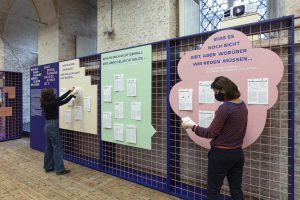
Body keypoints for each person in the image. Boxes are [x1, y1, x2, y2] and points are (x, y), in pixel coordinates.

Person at [182, 76, 248, 200]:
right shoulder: (242, 105)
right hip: (237, 153)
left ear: (222, 90)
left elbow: (210, 133)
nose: (215, 95)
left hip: (221, 155)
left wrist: (192, 126)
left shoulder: (225, 108)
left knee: (213, 190)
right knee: (236, 189)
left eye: (216, 92)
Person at [40, 87, 77, 175]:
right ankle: (60, 169)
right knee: (57, 147)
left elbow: (60, 98)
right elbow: (62, 102)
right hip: (52, 126)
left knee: (49, 147)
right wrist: (72, 95)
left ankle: (48, 167)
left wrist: (69, 91)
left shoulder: (46, 102)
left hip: (48, 126)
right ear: (50, 94)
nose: (54, 93)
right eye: (52, 92)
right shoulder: (51, 103)